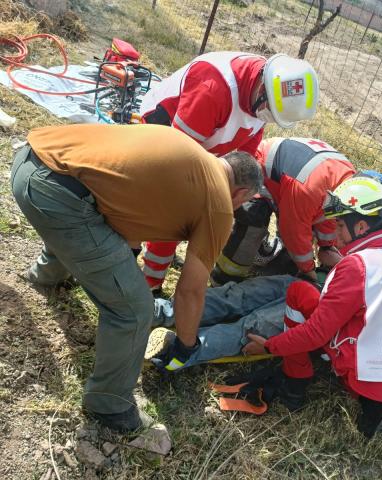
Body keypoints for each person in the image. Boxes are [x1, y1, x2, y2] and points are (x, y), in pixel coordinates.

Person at [11, 124, 262, 434]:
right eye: (242, 202)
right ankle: (109, 406)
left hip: (29, 160)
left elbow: (120, 198)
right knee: (135, 310)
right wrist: (186, 344)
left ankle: (45, 276)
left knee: (92, 235)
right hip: (56, 199)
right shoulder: (221, 205)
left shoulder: (189, 151)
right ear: (240, 193)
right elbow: (190, 291)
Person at [151, 177, 382, 438]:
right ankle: (167, 312)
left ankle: (179, 350)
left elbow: (316, 333)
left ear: (361, 227)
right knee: (259, 291)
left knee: (255, 325)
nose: (336, 233)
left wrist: (270, 346)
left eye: (341, 226)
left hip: (356, 358)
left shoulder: (360, 266)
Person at [140, 51, 320, 291]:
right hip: (164, 133)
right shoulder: (214, 86)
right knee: (176, 210)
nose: (266, 117)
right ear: (262, 87)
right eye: (268, 111)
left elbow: (245, 154)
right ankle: (150, 286)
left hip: (205, 141)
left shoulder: (267, 96)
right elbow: (180, 159)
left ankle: (163, 253)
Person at [210, 137, 355, 286]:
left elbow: (326, 218)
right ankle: (223, 280)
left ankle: (275, 268)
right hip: (260, 173)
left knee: (302, 234)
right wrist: (310, 274)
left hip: (289, 182)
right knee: (251, 225)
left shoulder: (346, 185)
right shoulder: (310, 190)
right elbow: (294, 233)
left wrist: (326, 246)